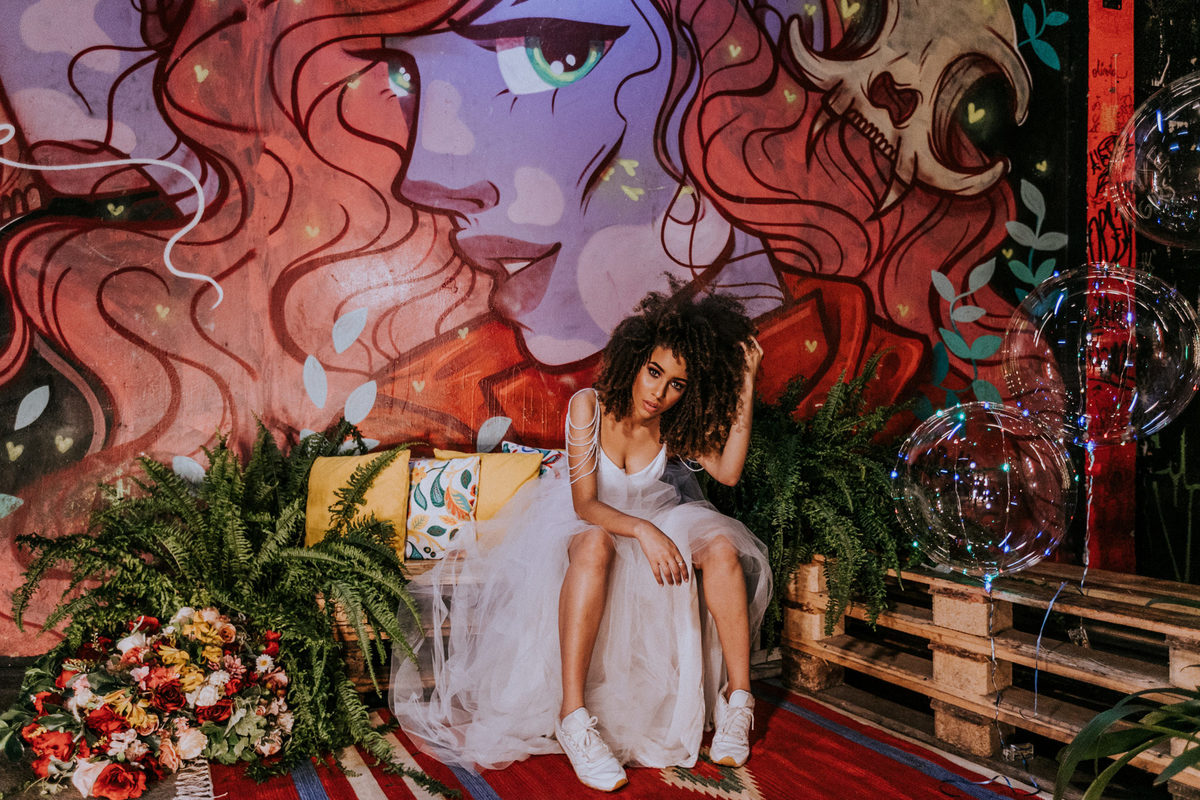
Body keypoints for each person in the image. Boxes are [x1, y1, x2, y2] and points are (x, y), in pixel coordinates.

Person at [391, 286, 772, 790]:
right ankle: (573, 717)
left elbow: (727, 472)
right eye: (654, 372)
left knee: (721, 546)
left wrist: (746, 381)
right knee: (596, 543)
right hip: (588, 522)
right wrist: (643, 530)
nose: (658, 392)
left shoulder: (673, 423)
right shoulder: (588, 407)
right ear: (636, 359)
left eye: (676, 384)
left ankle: (738, 702)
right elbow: (585, 506)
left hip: (657, 518)